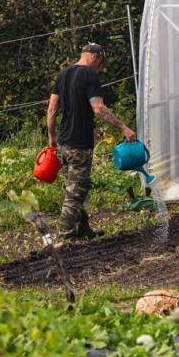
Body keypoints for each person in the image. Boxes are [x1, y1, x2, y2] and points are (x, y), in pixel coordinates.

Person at [46, 42, 135, 240]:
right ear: (95, 57)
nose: (99, 67)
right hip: (79, 144)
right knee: (75, 193)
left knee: (76, 186)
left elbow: (52, 109)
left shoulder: (63, 74)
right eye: (100, 63)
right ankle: (65, 236)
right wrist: (124, 128)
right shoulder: (90, 75)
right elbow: (99, 108)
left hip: (63, 143)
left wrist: (52, 137)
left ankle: (82, 229)